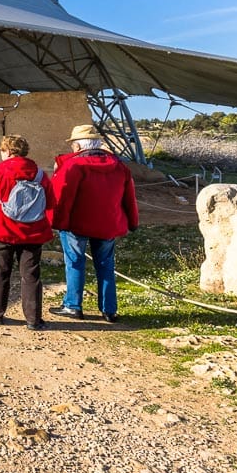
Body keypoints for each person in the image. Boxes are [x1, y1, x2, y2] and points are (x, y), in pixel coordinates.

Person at [49, 124, 139, 323]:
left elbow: (63, 197)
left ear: (79, 146)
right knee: (106, 265)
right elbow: (129, 198)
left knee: (74, 262)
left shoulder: (73, 166)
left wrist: (57, 222)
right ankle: (109, 310)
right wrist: (133, 222)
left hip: (76, 224)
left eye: (73, 144)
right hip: (108, 223)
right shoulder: (119, 167)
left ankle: (73, 305)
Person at [0, 134, 56, 331]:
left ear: (9, 151)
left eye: (2, 150)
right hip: (33, 232)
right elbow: (51, 202)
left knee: (1, 272)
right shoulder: (39, 174)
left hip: (3, 230)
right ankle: (33, 319)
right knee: (31, 275)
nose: (1, 153)